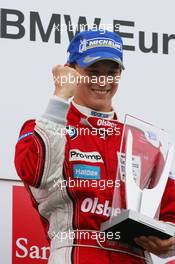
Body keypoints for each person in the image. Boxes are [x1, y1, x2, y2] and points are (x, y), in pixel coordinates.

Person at [14, 29, 175, 264]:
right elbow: (36, 172)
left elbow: (171, 210)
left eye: (112, 72)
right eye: (93, 72)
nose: (103, 81)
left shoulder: (143, 142)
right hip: (76, 251)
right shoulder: (44, 126)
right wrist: (59, 98)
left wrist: (170, 239)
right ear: (71, 71)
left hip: (135, 256)